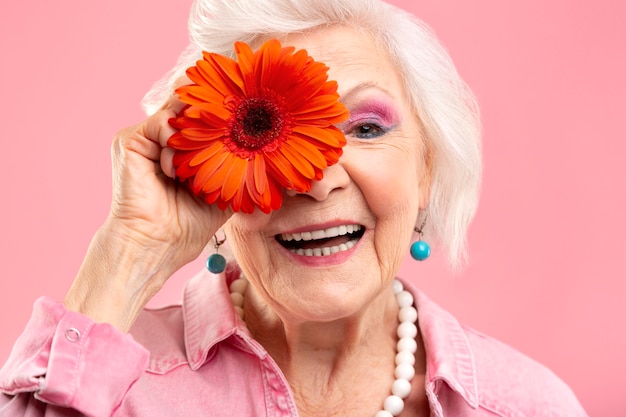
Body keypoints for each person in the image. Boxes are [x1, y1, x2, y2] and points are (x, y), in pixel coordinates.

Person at [0, 0, 588, 416]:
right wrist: (127, 249)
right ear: (208, 179)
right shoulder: (117, 389)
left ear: (427, 170)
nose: (317, 180)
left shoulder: (523, 406)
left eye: (364, 127)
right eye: (269, 135)